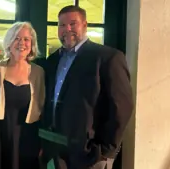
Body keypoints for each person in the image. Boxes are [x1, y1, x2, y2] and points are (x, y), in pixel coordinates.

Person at [40, 5, 133, 169]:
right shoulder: (52, 60)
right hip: (54, 151)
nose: (67, 29)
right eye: (61, 25)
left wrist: (106, 151)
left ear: (85, 25)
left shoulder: (108, 58)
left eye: (72, 23)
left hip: (90, 155)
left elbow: (122, 107)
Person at [0, 21, 45, 169]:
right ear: (9, 42)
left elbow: (43, 108)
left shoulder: (38, 72)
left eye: (26, 39)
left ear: (32, 44)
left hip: (28, 136)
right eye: (17, 38)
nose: (21, 43)